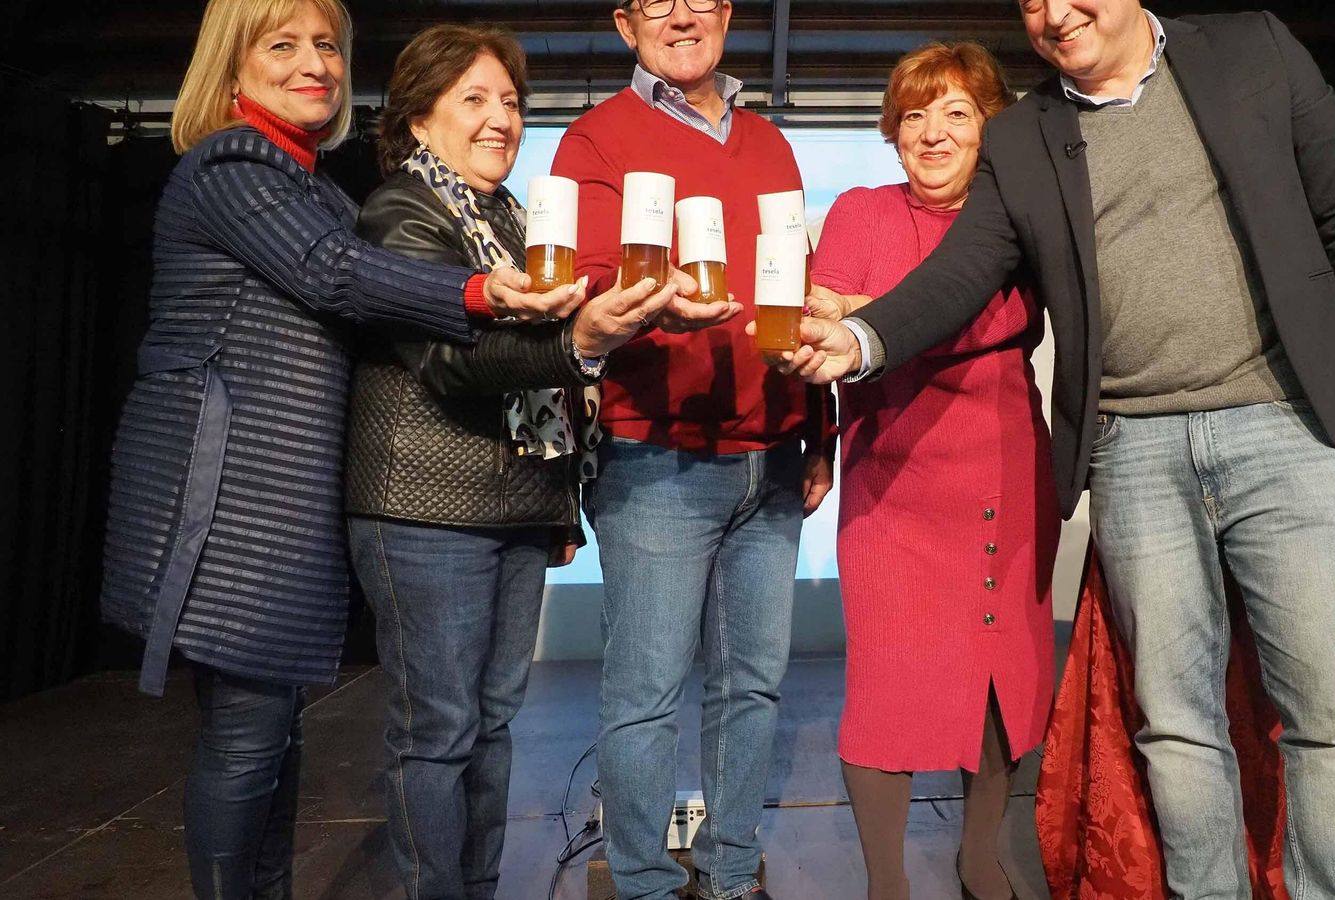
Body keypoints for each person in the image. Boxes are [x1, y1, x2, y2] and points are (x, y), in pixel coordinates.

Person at [772, 1, 1335, 897]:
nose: (1053, 11)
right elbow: (963, 275)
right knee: (1176, 724)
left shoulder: (1255, 50)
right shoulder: (1031, 134)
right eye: (1032, 0)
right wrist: (858, 344)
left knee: (1330, 714)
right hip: (1133, 446)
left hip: (1283, 426)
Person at [97, 1, 584, 896]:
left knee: (272, 735)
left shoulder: (316, 187)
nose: (313, 62)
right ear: (231, 64)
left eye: (326, 44)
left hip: (284, 493)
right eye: (282, 44)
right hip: (227, 488)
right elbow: (337, 274)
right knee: (248, 737)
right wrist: (485, 294)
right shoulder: (230, 166)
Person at [342, 25, 718, 900]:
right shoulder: (401, 211)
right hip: (423, 510)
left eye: (509, 101)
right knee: (436, 729)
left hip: (512, 505)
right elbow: (455, 361)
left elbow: (562, 356)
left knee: (494, 724)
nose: (500, 119)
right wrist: (580, 343)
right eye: (473, 99)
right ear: (417, 120)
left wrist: (647, 318)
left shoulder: (513, 219)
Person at [549, 1, 834, 897]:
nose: (682, 16)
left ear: (727, 14)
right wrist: (656, 300)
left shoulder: (770, 142)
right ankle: (638, 881)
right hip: (656, 458)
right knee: (645, 694)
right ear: (626, 24)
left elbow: (801, 284)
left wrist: (820, 431)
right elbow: (583, 288)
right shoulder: (596, 141)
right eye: (657, 2)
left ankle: (732, 870)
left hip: (774, 456)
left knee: (752, 685)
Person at [805, 42, 1056, 900]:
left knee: (1000, 677)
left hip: (1005, 470)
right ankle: (886, 882)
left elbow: (996, 315)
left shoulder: (1022, 221)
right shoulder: (861, 211)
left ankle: (979, 855)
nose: (933, 132)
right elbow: (821, 313)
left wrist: (868, 315)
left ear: (993, 127)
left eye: (956, 112)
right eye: (914, 116)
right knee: (887, 682)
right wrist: (834, 317)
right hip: (895, 478)